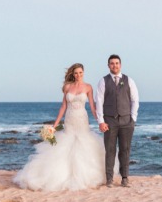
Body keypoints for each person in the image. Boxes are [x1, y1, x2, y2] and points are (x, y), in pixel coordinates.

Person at [13, 63, 108, 191]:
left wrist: (100, 121)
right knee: (65, 145)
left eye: (80, 72)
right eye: (76, 73)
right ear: (73, 74)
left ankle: (84, 176)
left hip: (82, 119)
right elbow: (63, 107)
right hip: (69, 119)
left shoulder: (88, 87)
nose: (78, 75)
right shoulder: (67, 87)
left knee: (83, 145)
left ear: (83, 73)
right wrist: (54, 125)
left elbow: (92, 107)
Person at [95, 54, 139, 188]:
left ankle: (125, 178)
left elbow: (135, 100)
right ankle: (109, 178)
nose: (115, 65)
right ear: (108, 66)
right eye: (112, 63)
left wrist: (133, 119)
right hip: (109, 121)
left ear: (120, 65)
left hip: (126, 121)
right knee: (110, 150)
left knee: (125, 150)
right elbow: (99, 101)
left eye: (117, 63)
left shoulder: (129, 80)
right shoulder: (103, 81)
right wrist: (101, 121)